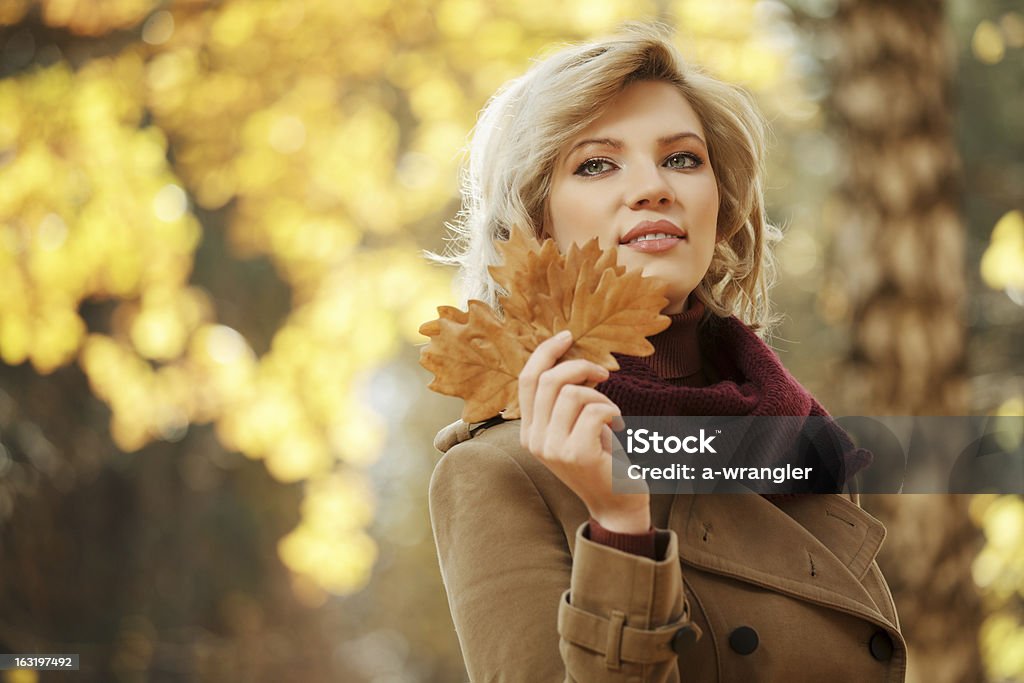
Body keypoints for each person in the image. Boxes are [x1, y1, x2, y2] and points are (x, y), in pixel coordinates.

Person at [426, 24, 906, 682]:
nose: (654, 186)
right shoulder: (503, 471)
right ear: (537, 223)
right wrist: (621, 527)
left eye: (682, 158)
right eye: (596, 163)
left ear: (722, 206)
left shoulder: (792, 440)